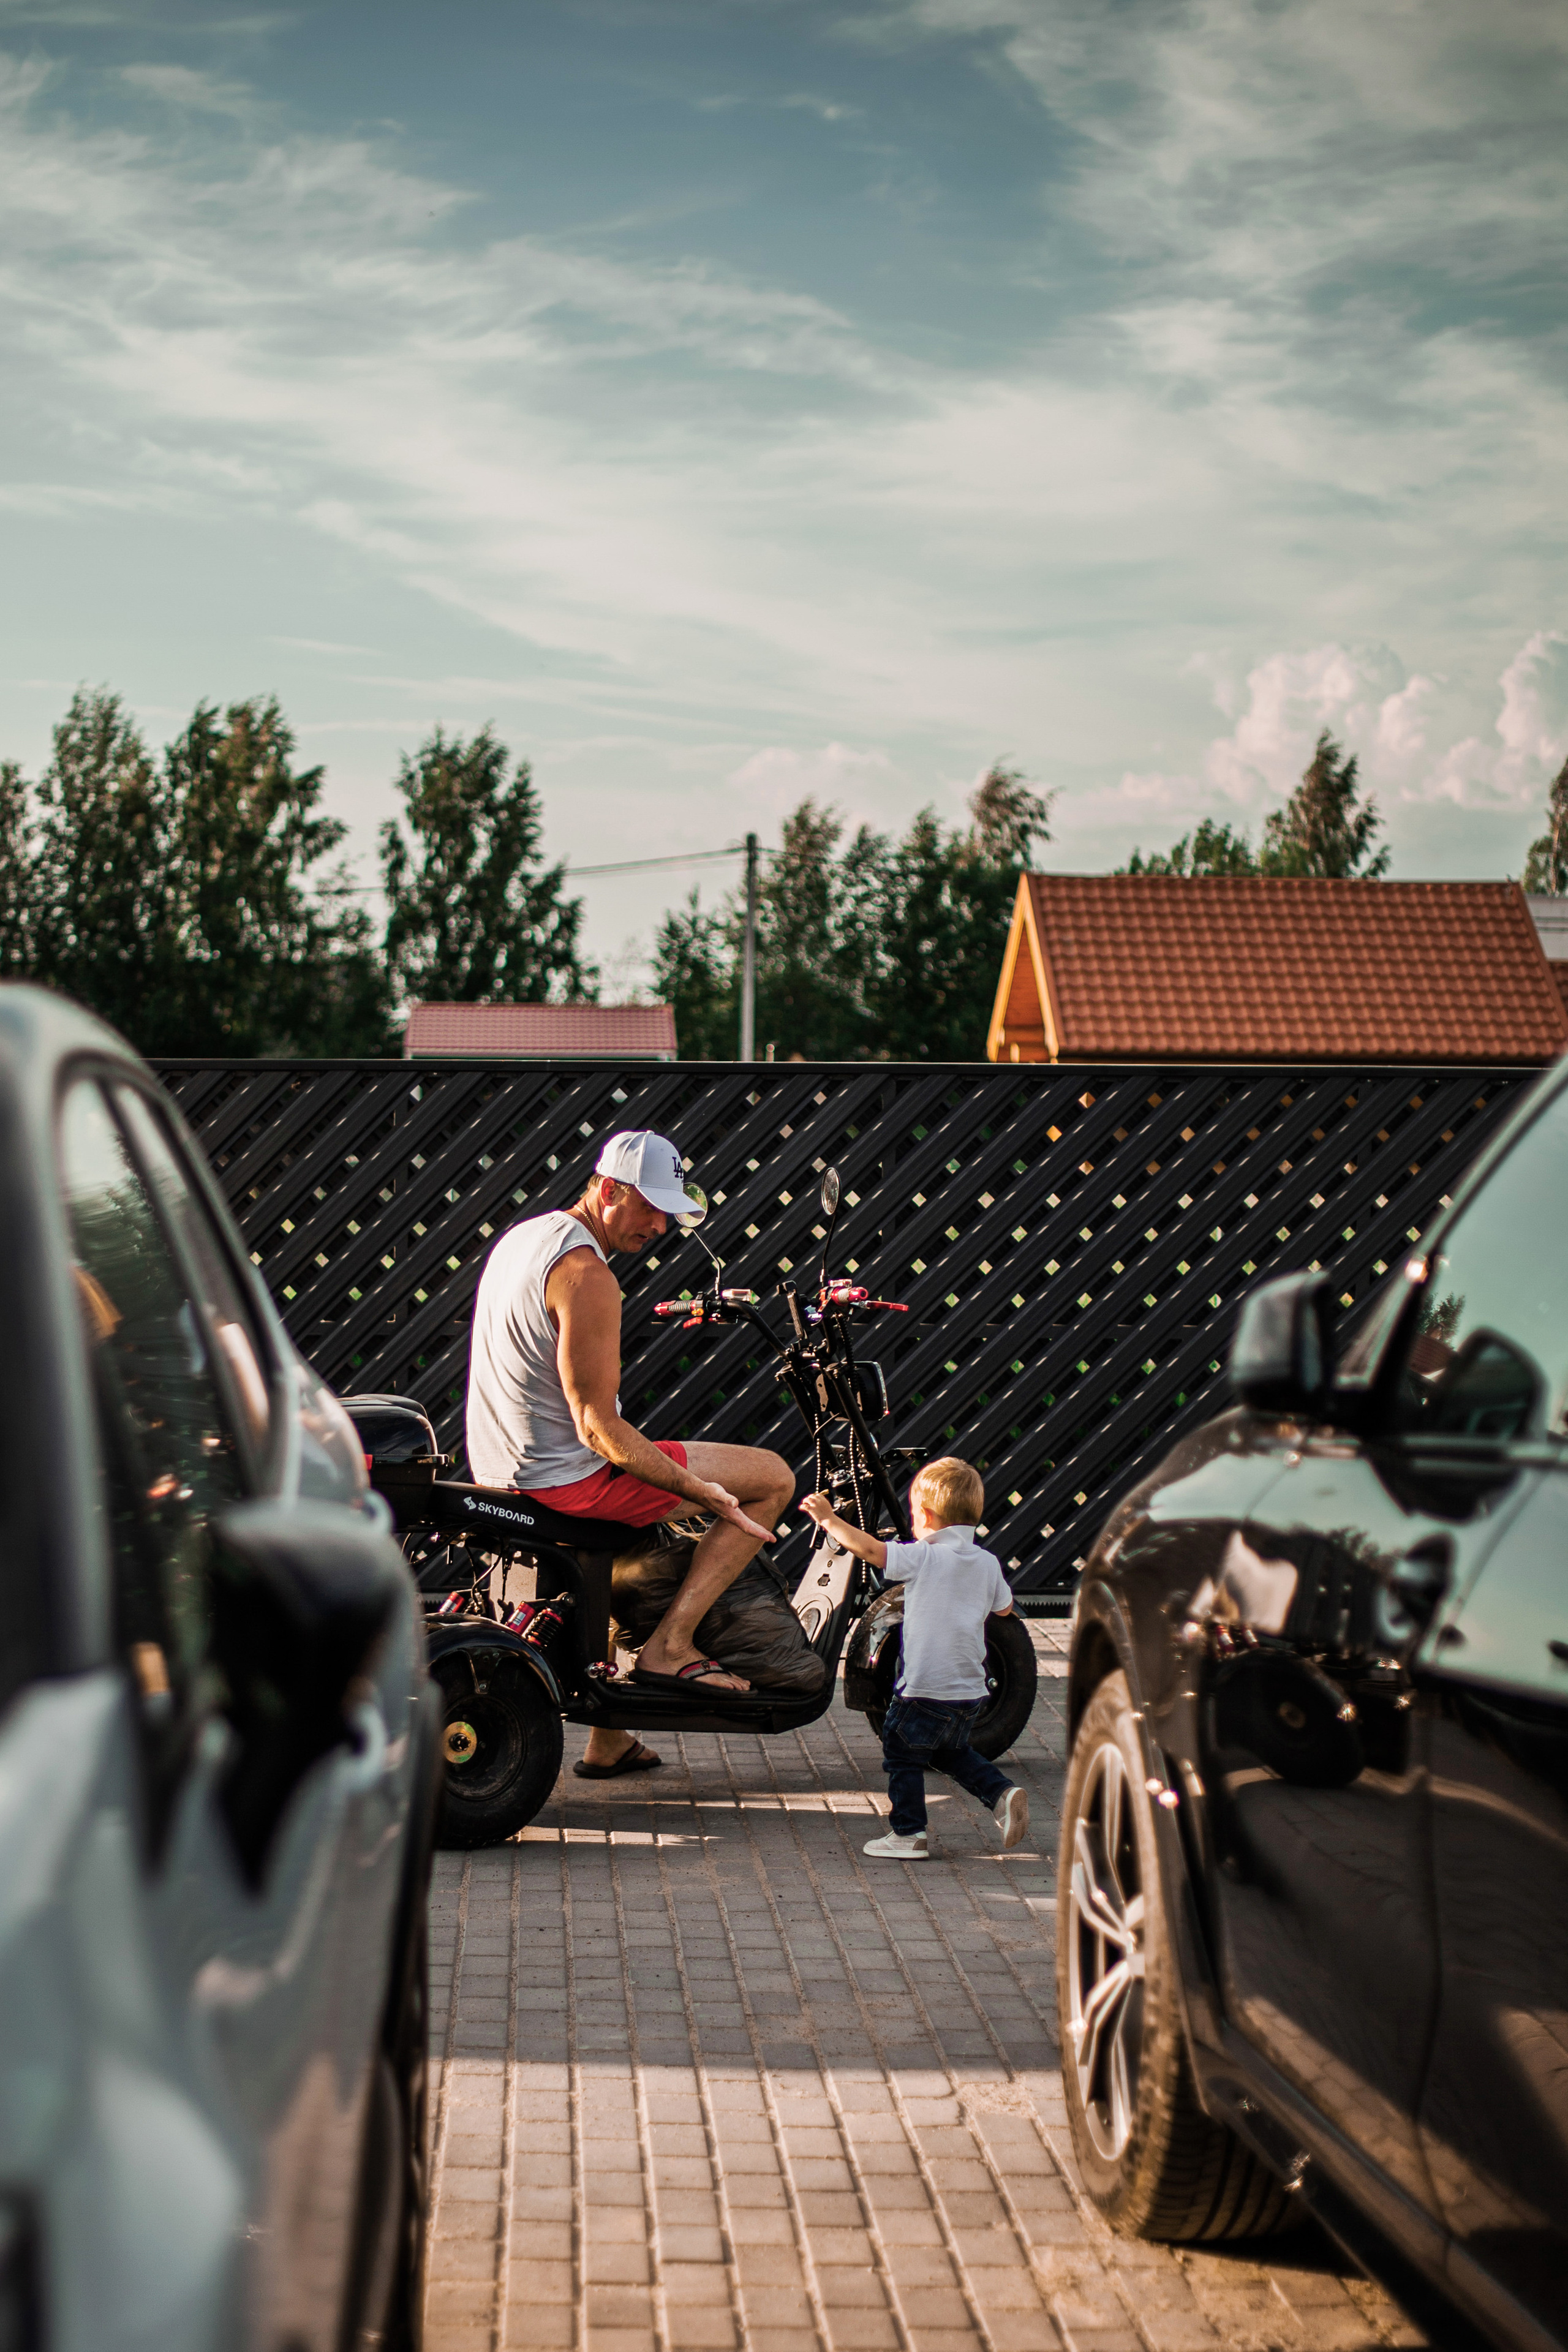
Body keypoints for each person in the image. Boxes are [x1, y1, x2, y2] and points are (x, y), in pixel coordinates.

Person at [466, 1128, 795, 1778]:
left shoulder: (527, 1236)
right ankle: (670, 1646)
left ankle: (610, 1740)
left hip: (501, 1464)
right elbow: (595, 1428)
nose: (661, 1226)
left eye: (668, 1212)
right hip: (563, 1479)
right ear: (609, 1190)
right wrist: (699, 1492)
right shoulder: (588, 1275)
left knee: (653, 1490)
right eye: (649, 1207)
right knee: (771, 1478)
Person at [801, 1457, 1028, 1860]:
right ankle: (1001, 1793)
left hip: (925, 1687)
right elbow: (1006, 1610)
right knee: (948, 1752)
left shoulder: (923, 1557)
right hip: (971, 1691)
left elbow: (871, 1550)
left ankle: (908, 1834)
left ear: (926, 1515)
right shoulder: (987, 1563)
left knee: (900, 1752)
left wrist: (829, 1519)